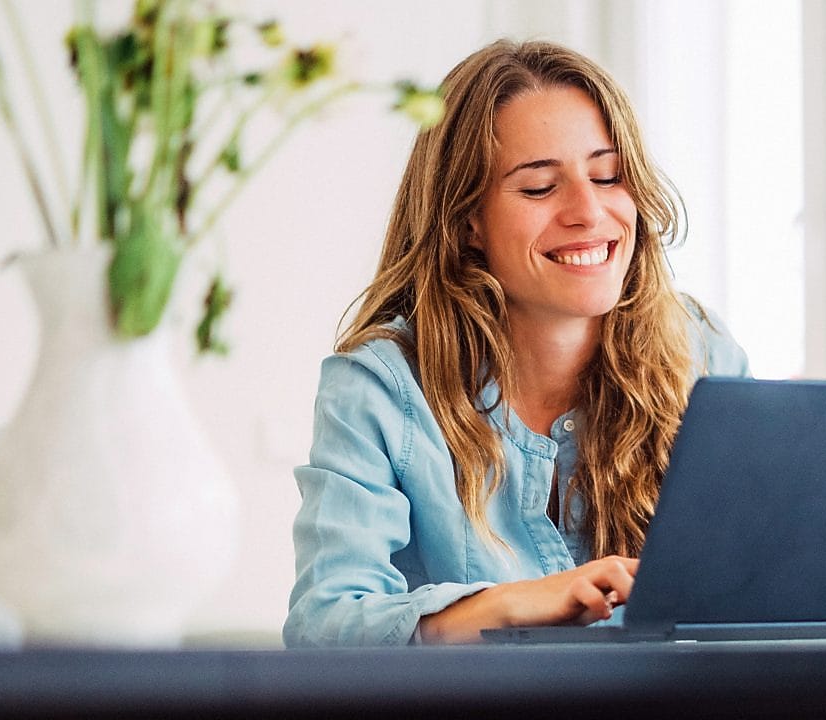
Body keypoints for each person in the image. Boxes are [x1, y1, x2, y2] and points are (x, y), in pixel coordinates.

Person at [283, 38, 749, 647]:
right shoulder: (381, 386)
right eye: (539, 187)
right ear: (467, 221)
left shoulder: (704, 352)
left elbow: (754, 596)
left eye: (608, 176)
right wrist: (507, 606)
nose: (589, 211)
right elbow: (324, 626)